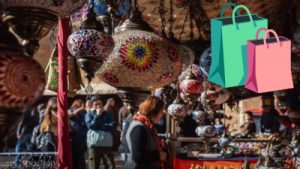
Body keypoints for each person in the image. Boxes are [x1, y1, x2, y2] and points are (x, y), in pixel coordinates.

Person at [125, 96, 167, 169]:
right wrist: (159, 155)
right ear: (153, 112)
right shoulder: (139, 127)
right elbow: (138, 156)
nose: (161, 116)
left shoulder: (147, 124)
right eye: (161, 113)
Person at [85, 96, 115, 169]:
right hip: (94, 145)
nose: (98, 106)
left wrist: (99, 126)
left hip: (106, 144)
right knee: (93, 166)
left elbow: (112, 126)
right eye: (96, 104)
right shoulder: (89, 114)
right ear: (92, 105)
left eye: (100, 104)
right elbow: (91, 126)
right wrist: (97, 116)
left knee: (110, 165)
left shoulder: (107, 114)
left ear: (102, 104)